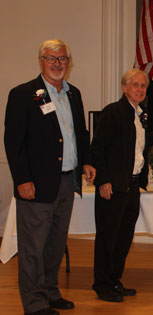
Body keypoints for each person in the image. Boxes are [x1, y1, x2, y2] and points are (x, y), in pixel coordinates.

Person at [4, 39, 96, 315]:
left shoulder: (74, 94)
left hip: (67, 182)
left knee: (55, 244)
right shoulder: (23, 94)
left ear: (69, 63)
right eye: (51, 58)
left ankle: (50, 292)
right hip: (36, 184)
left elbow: (80, 133)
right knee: (33, 247)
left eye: (62, 59)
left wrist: (86, 163)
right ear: (40, 61)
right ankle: (34, 304)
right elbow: (14, 142)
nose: (57, 64)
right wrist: (22, 180)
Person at [90, 69, 153, 302]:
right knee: (107, 238)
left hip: (131, 187)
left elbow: (138, 143)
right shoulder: (113, 112)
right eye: (135, 85)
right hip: (113, 187)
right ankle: (102, 285)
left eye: (143, 86)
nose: (140, 89)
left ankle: (114, 280)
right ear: (124, 88)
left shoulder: (139, 115)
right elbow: (97, 148)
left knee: (123, 238)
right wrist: (103, 181)